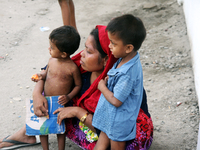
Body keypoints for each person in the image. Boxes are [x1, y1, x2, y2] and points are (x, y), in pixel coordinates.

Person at [0, 1, 153, 150]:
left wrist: (76, 111)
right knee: (57, 86)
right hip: (99, 123)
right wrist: (36, 93)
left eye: (89, 51)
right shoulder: (81, 66)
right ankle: (28, 133)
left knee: (121, 143)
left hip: (125, 129)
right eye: (85, 48)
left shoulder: (115, 81)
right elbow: (48, 72)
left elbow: (111, 123)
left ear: (106, 59)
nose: (82, 55)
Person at [92, 14, 146, 150]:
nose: (109, 46)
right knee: (102, 142)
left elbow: (117, 101)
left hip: (119, 122)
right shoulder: (127, 57)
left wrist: (102, 87)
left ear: (128, 48)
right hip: (111, 116)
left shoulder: (127, 73)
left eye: (113, 43)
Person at [31, 25, 82, 150]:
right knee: (43, 127)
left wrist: (69, 96)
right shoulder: (51, 60)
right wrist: (39, 76)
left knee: (60, 128)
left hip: (60, 102)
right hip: (45, 99)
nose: (49, 48)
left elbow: (78, 85)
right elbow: (46, 73)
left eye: (52, 47)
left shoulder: (72, 68)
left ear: (64, 54)